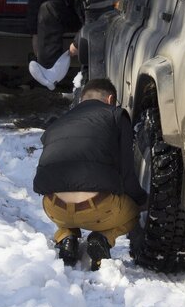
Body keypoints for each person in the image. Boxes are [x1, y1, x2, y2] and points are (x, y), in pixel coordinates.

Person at [32, 78, 145, 269]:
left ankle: (67, 237)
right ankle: (102, 238)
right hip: (99, 207)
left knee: (66, 197)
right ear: (110, 99)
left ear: (81, 100)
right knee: (134, 213)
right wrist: (141, 200)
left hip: (54, 207)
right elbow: (127, 173)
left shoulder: (59, 122)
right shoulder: (116, 115)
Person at [25, 0, 119, 90]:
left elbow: (97, 20)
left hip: (100, 18)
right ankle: (50, 73)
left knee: (90, 41)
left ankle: (87, 82)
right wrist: (34, 33)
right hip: (76, 10)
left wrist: (77, 42)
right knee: (48, 8)